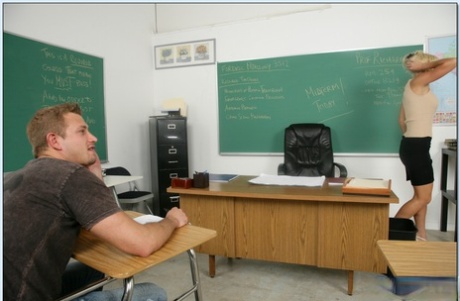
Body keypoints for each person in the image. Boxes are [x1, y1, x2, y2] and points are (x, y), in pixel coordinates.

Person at [3, 102, 189, 300]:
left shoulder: (18, 175)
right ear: (55, 141)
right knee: (153, 293)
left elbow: (88, 215)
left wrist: (94, 175)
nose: (93, 138)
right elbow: (142, 244)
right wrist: (171, 219)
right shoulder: (68, 175)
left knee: (94, 270)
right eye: (82, 132)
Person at [396, 51, 456, 241]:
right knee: (424, 198)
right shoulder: (420, 80)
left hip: (414, 145)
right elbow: (455, 61)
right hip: (416, 145)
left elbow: (401, 120)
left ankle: (421, 236)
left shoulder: (413, 85)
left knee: (421, 196)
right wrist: (426, 67)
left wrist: (414, 140)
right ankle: (389, 235)